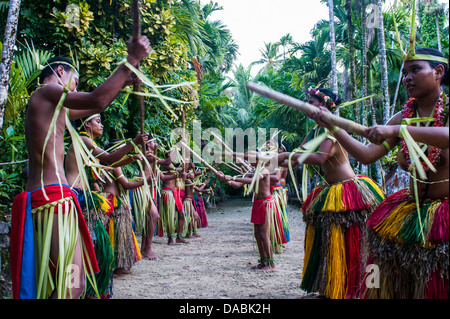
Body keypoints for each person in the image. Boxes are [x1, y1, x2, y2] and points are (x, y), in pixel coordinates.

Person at [10, 36, 151, 299]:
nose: (75, 88)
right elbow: (96, 100)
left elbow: (98, 103)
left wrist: (125, 80)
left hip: (57, 198)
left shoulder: (56, 107)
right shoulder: (44, 93)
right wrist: (131, 60)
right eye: (75, 82)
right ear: (60, 71)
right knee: (72, 285)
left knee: (75, 283)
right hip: (52, 197)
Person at [311, 48, 449, 299]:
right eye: (404, 72)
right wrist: (333, 124)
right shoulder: (403, 116)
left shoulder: (443, 112)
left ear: (438, 72)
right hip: (413, 213)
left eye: (415, 70)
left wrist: (400, 131)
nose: (407, 77)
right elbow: (366, 154)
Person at [278, 87, 384, 299]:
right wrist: (275, 157)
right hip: (330, 189)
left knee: (349, 241)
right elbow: (300, 154)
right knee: (329, 240)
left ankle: (351, 289)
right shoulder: (315, 132)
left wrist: (288, 156)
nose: (307, 105)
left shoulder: (332, 130)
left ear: (324, 106)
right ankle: (330, 286)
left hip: (348, 191)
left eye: (311, 101)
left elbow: (318, 158)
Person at [102, 139, 151, 277]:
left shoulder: (116, 163)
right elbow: (125, 184)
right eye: (124, 149)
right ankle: (114, 266)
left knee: (120, 233)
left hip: (115, 199)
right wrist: (145, 182)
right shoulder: (113, 163)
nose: (126, 152)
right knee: (115, 232)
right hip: (112, 200)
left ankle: (119, 265)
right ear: (116, 150)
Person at [223, 158, 282, 271]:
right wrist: (225, 179)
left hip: (266, 203)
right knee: (257, 234)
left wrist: (232, 177)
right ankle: (263, 261)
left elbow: (253, 180)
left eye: (250, 158)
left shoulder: (264, 170)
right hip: (257, 203)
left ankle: (271, 264)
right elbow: (237, 185)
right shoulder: (251, 172)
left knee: (264, 234)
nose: (247, 160)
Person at [158, 150, 188, 245]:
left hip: (174, 192)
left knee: (182, 214)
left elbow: (182, 170)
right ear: (168, 154)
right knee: (172, 217)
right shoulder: (166, 164)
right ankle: (170, 238)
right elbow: (178, 170)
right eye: (173, 153)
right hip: (167, 192)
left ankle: (179, 237)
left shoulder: (172, 166)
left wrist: (186, 155)